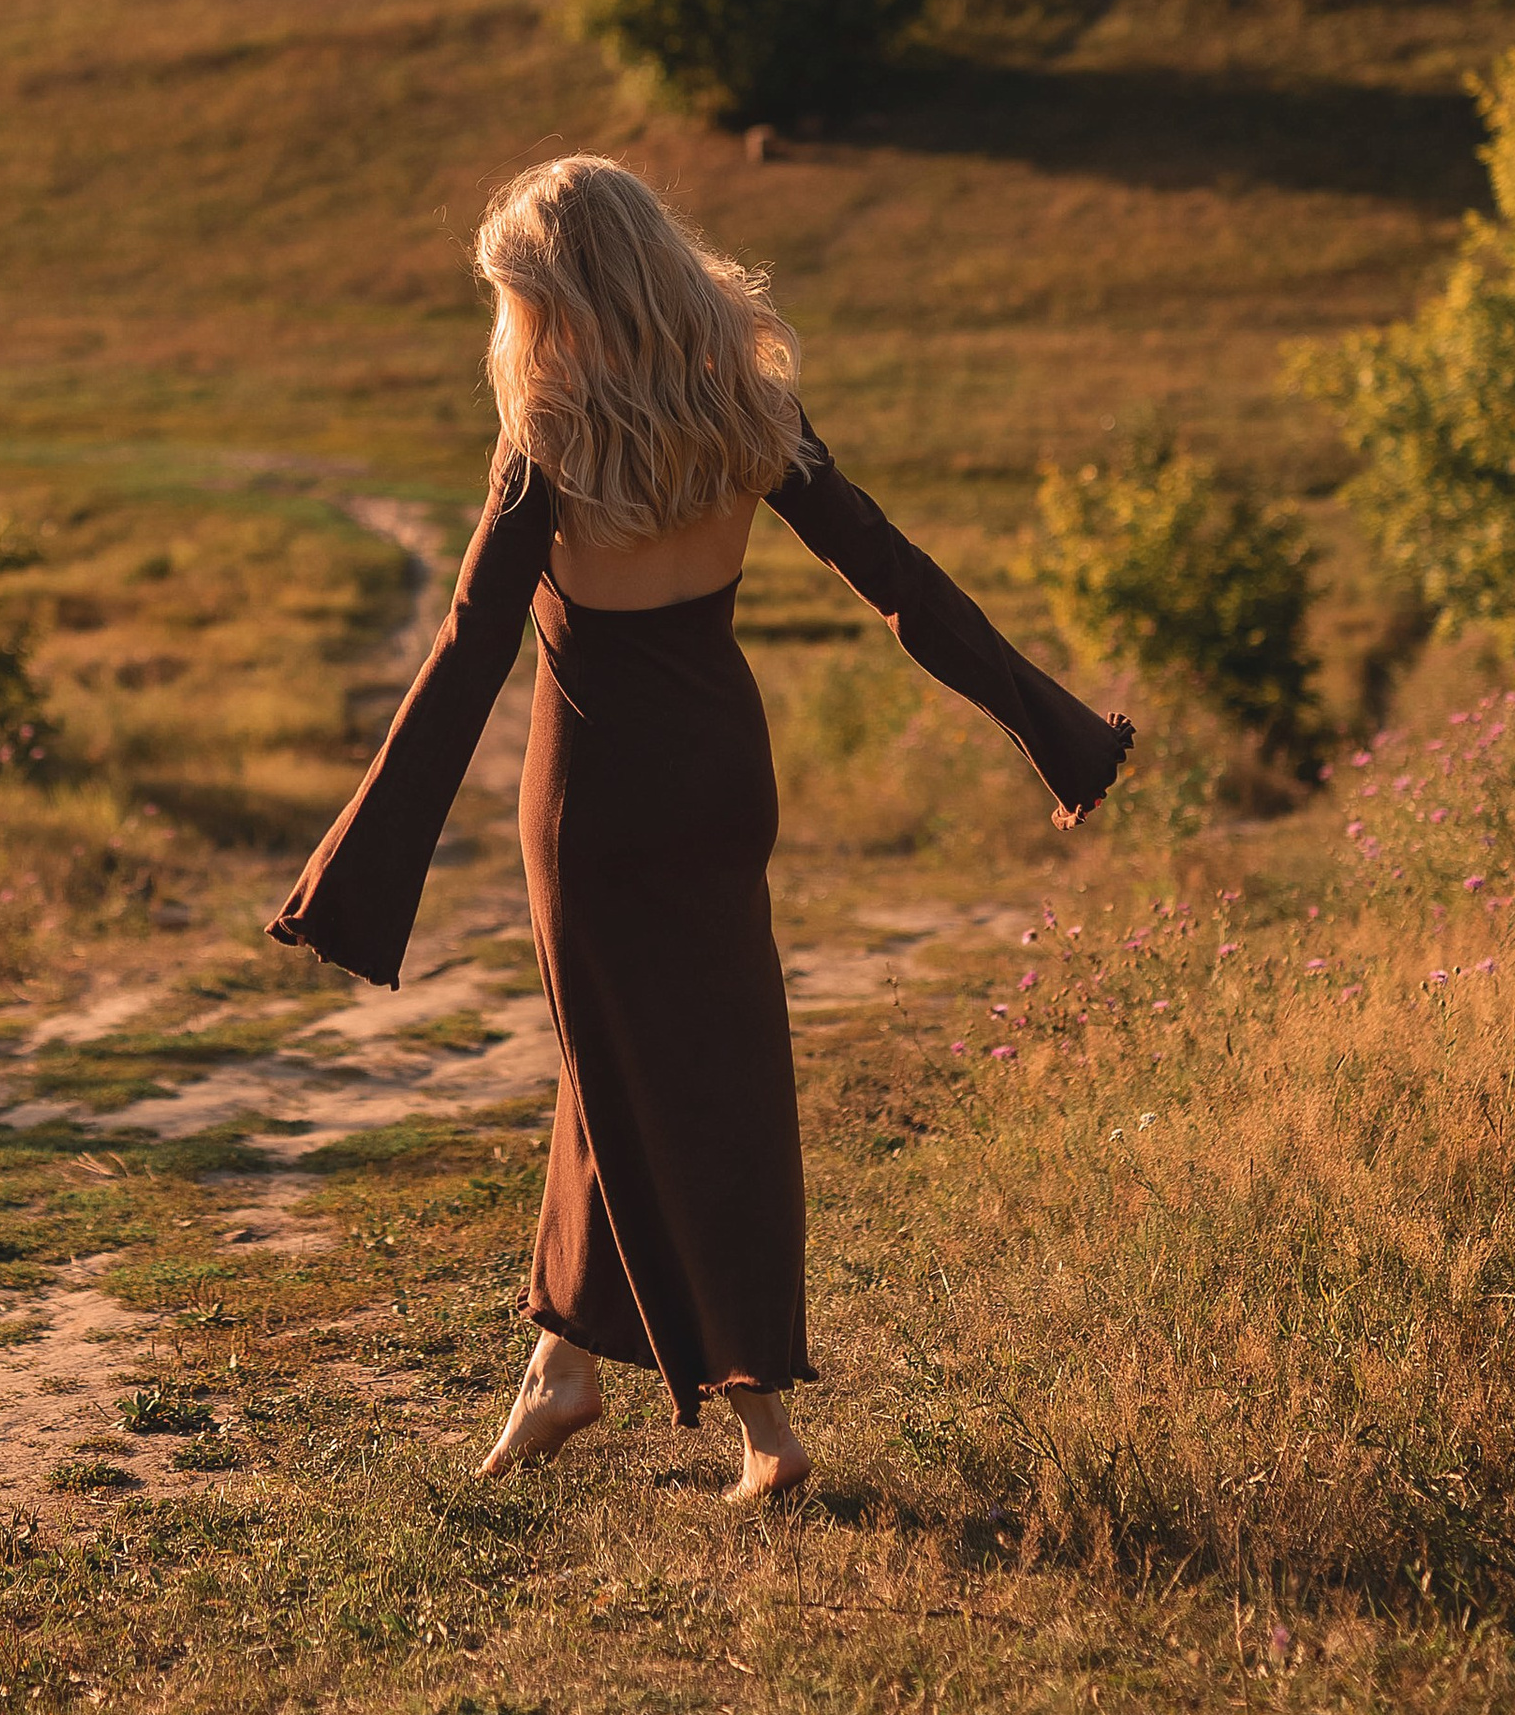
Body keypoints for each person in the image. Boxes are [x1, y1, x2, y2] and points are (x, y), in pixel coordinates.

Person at [269, 157, 1132, 1504]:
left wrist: (355, 870)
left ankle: (762, 1422)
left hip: (593, 801)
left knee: (658, 1078)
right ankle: (560, 1369)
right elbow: (899, 579)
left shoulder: (549, 437)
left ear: (560, 294)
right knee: (652, 1062)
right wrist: (1057, 731)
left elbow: (471, 646)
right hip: (725, 778)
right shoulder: (748, 406)